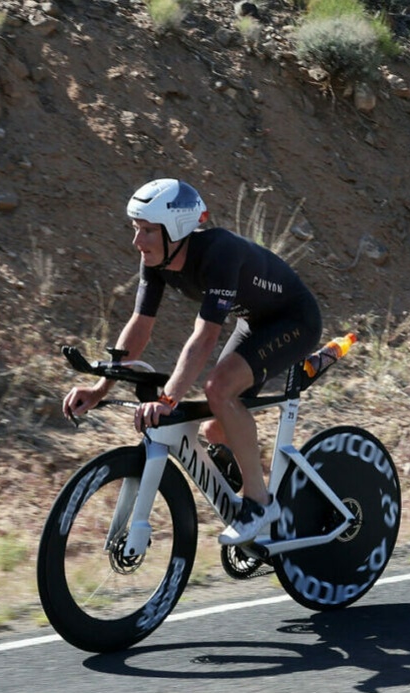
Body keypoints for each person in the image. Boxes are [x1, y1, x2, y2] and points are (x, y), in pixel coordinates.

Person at [62, 178, 322, 545]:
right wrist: (100, 387)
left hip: (295, 321)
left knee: (218, 389)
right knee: (216, 432)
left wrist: (167, 399)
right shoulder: (156, 260)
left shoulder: (220, 253)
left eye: (148, 231)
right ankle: (260, 507)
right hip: (255, 323)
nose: (138, 242)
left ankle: (259, 504)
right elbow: (140, 326)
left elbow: (204, 338)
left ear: (176, 229)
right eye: (136, 229)